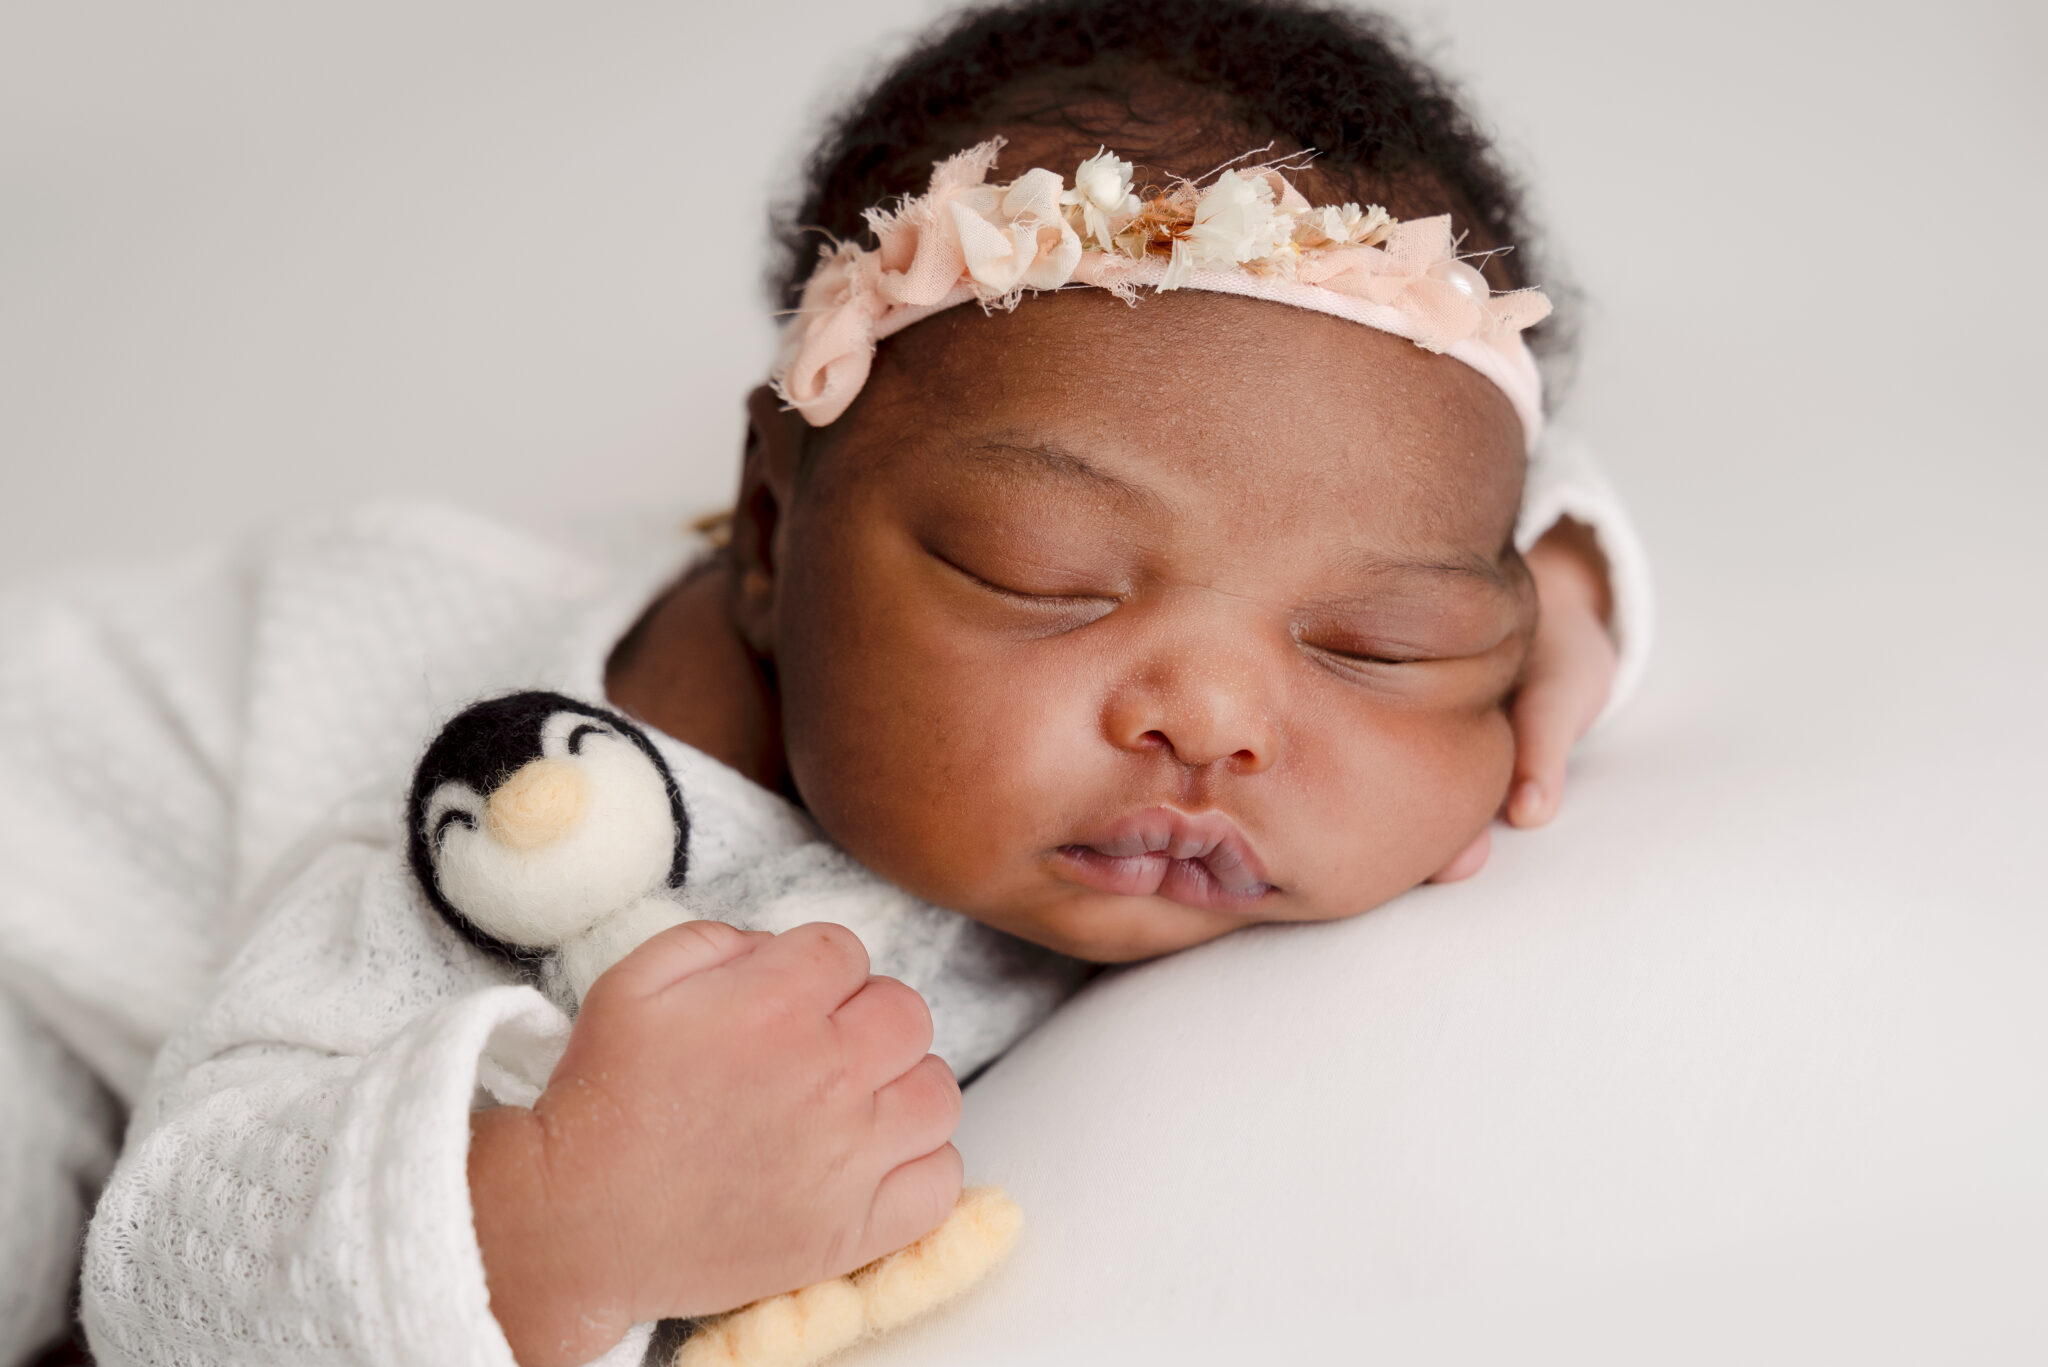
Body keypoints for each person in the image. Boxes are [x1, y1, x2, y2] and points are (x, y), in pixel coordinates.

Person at [0, 2, 1650, 1363]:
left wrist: (1562, 571)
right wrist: (548, 1211)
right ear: (774, 537)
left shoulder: (1365, 540)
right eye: (1044, 579)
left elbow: (1366, 447)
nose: (1213, 719)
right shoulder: (551, 820)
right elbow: (175, 1257)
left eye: (1380, 645)